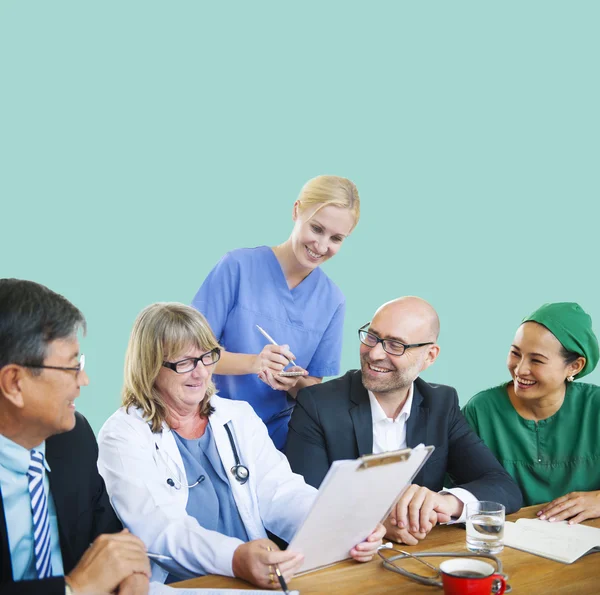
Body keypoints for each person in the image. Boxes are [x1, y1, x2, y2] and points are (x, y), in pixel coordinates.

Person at [97, 302, 384, 589]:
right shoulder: (122, 434)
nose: (200, 373)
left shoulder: (238, 415)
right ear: (149, 365)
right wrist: (234, 558)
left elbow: (281, 491)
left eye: (207, 357)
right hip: (180, 584)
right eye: (184, 362)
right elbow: (158, 529)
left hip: (256, 575)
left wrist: (339, 525)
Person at [286, 297, 522, 546]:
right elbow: (304, 502)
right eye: (372, 337)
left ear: (430, 356)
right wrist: (376, 523)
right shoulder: (317, 403)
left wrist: (443, 501)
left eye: (395, 345)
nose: (375, 353)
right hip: (341, 559)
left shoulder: (441, 403)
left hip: (416, 554)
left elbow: (503, 487)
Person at [0, 278, 150, 595]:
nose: (84, 380)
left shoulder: (74, 438)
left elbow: (110, 536)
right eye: (71, 367)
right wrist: (76, 588)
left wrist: (132, 573)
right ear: (14, 383)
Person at [191, 175, 360, 449]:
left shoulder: (332, 300)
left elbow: (312, 385)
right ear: (296, 211)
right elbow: (189, 354)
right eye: (316, 228)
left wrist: (291, 381)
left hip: (279, 439)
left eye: (336, 238)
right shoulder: (238, 267)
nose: (321, 246)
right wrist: (255, 363)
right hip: (212, 425)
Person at [463, 302, 600, 523]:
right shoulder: (481, 411)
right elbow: (459, 492)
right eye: (515, 353)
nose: (520, 369)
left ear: (574, 366)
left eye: (537, 360)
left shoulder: (595, 407)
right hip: (507, 544)